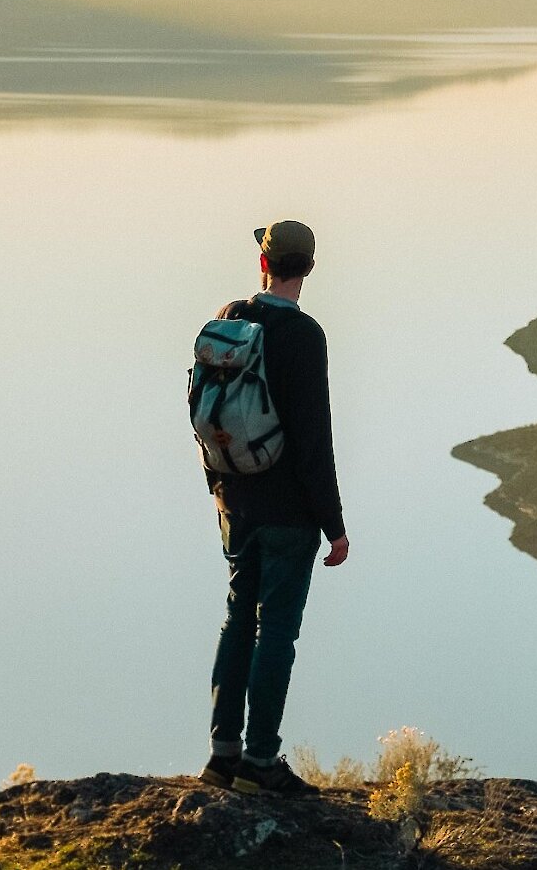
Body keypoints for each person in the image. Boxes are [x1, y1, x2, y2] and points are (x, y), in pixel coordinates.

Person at [199, 219, 349, 796]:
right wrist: (334, 526)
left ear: (263, 263)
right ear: (306, 269)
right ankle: (260, 763)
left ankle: (221, 757)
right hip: (288, 513)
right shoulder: (305, 337)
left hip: (234, 501)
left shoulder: (232, 317)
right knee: (275, 633)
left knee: (238, 621)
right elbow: (314, 441)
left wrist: (222, 492)